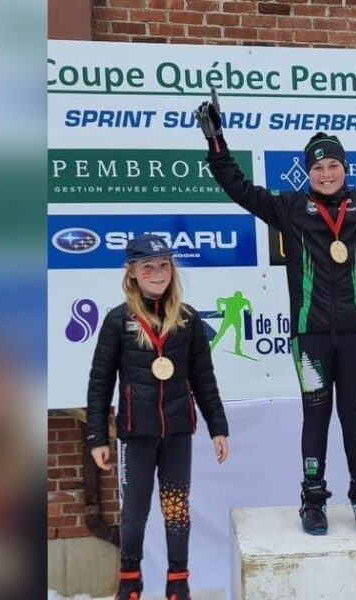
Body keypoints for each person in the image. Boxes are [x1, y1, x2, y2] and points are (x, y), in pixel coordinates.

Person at [194, 88, 356, 535]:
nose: (325, 173)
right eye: (317, 167)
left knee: (354, 415)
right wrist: (217, 140)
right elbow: (237, 187)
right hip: (310, 338)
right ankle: (313, 500)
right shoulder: (290, 209)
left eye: (333, 165)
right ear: (308, 172)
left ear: (345, 168)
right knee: (315, 413)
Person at [85, 234, 230, 600]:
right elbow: (100, 382)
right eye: (147, 266)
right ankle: (129, 582)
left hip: (178, 430)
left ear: (172, 269)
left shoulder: (188, 318)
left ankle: (178, 583)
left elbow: (204, 378)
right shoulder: (118, 321)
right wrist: (97, 437)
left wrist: (218, 428)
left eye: (163, 264)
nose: (157, 272)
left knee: (177, 511)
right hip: (136, 433)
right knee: (134, 513)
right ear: (132, 272)